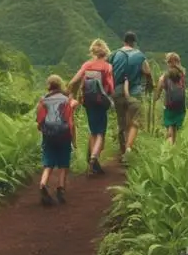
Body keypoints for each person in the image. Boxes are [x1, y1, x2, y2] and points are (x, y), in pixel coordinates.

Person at [67, 39, 115, 175]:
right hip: (101, 102)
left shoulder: (87, 65)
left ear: (93, 51)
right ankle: (94, 157)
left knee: (93, 130)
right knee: (100, 132)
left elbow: (73, 81)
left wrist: (71, 95)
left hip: (88, 102)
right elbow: (110, 87)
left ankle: (93, 163)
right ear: (105, 52)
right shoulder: (107, 67)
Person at [36, 75, 78, 206]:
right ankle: (60, 189)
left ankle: (43, 184)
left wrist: (46, 132)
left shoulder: (43, 101)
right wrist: (74, 140)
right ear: (61, 85)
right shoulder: (66, 101)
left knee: (48, 163)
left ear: (48, 85)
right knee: (63, 163)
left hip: (48, 135)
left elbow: (39, 122)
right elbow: (71, 122)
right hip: (64, 135)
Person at [109, 31, 151, 156]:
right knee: (134, 121)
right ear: (134, 42)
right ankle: (128, 149)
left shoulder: (115, 54)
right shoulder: (140, 55)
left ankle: (122, 148)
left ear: (124, 41)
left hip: (117, 92)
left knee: (121, 121)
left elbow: (108, 72)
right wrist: (149, 85)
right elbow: (147, 71)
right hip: (135, 93)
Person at [152, 52, 187, 145]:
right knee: (176, 129)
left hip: (169, 105)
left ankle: (169, 148)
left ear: (169, 62)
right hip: (181, 106)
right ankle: (174, 148)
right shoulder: (182, 74)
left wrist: (155, 98)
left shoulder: (164, 76)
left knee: (170, 129)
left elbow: (159, 89)